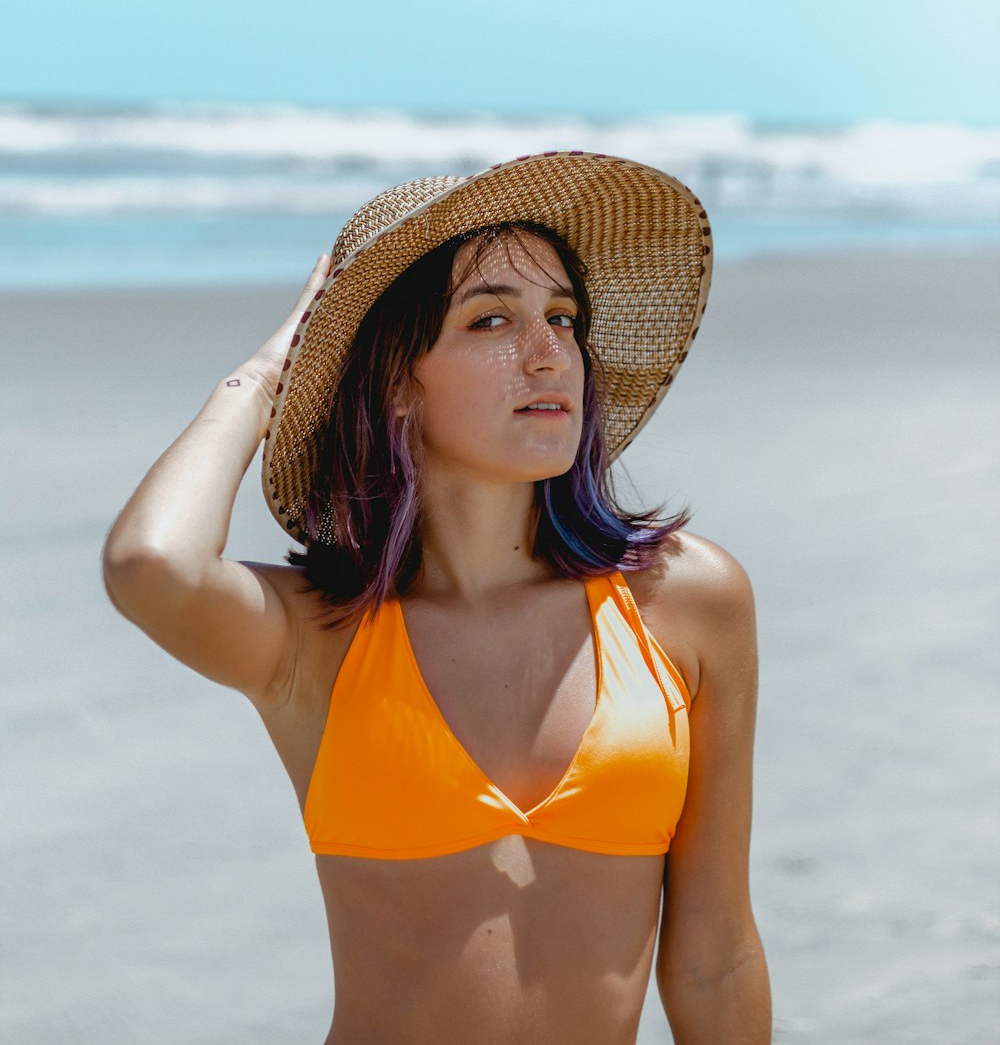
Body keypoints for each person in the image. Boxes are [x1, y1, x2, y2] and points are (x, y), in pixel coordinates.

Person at [103, 150, 770, 1044]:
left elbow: (713, 953)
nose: (548, 352)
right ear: (396, 383)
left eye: (564, 317)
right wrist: (263, 379)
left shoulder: (683, 602)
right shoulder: (315, 638)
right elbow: (150, 564)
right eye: (491, 319)